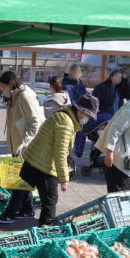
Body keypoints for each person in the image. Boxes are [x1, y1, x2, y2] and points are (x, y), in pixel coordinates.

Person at [17, 95, 99, 225]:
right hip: (42, 164)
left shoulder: (65, 117)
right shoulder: (66, 122)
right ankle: (46, 227)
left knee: (23, 193)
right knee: (50, 198)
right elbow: (60, 152)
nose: (87, 119)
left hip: (35, 158)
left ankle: (10, 214)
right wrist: (63, 178)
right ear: (80, 111)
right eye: (88, 116)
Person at [0, 70, 45, 224]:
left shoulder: (24, 96)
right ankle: (28, 209)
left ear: (10, 83)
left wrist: (25, 141)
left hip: (25, 148)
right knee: (24, 179)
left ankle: (10, 213)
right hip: (19, 147)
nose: (2, 91)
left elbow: (35, 121)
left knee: (20, 180)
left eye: (3, 87)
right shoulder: (15, 97)